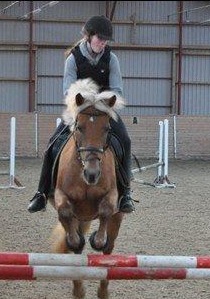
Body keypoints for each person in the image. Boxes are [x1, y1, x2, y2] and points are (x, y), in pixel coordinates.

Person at [27, 15, 135, 214]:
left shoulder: (112, 59)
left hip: (104, 111)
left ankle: (126, 192)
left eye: (105, 40)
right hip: (79, 111)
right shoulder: (73, 59)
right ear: (89, 36)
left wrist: (103, 102)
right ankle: (41, 193)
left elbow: (117, 90)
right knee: (52, 144)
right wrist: (85, 103)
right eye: (99, 39)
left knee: (126, 141)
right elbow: (68, 91)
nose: (102, 43)